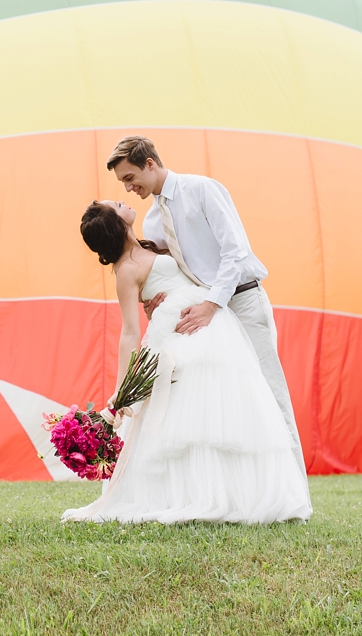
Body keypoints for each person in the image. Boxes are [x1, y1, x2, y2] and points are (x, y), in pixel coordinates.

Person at [61, 200, 311, 524]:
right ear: (114, 224)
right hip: (176, 330)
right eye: (115, 206)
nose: (122, 201)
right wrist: (121, 389)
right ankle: (196, 495)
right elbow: (128, 331)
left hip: (204, 316)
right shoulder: (125, 270)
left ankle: (236, 493)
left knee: (221, 404)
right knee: (187, 412)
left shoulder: (153, 242)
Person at [109, 135, 308, 479]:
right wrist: (154, 303)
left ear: (150, 164)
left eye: (130, 178)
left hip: (240, 301)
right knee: (227, 401)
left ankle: (293, 489)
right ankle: (246, 486)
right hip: (204, 314)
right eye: (123, 183)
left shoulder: (203, 190)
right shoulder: (154, 221)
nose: (128, 188)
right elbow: (167, 272)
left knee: (269, 391)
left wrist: (211, 304)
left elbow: (236, 251)